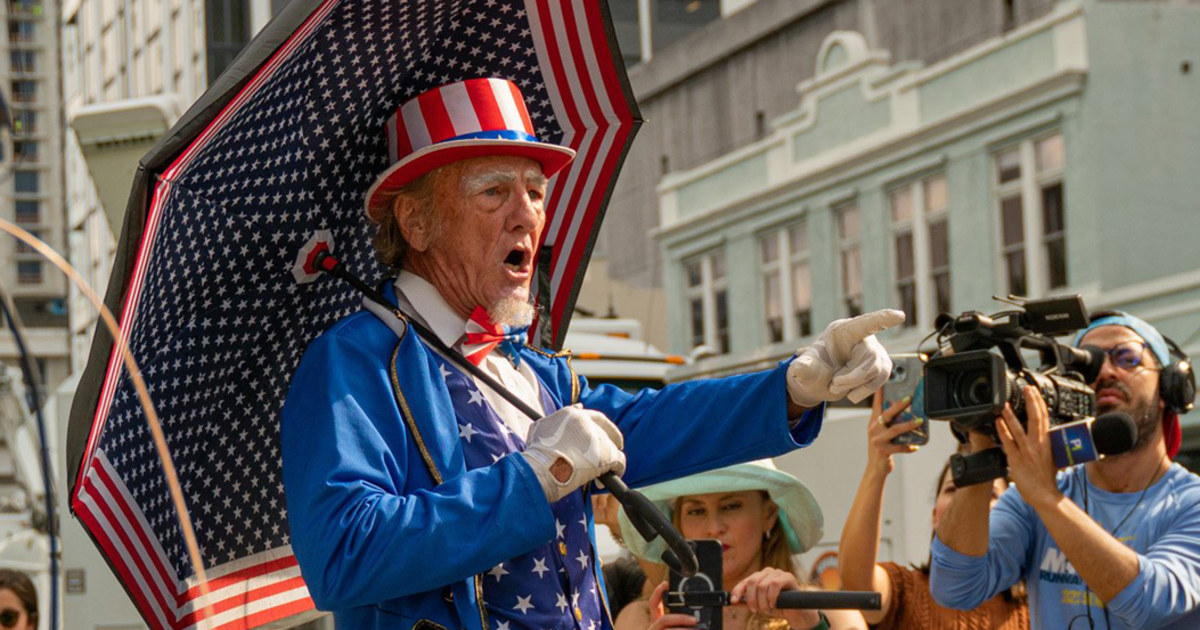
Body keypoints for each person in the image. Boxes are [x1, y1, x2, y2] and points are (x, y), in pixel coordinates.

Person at [281, 77, 904, 630]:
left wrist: (792, 387)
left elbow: (653, 424)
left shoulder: (532, 369)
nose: (526, 215)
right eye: (494, 192)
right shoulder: (351, 364)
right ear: (416, 222)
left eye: (535, 191)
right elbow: (344, 554)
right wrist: (539, 475)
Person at [930, 311, 1200, 629]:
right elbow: (955, 589)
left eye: (1127, 358)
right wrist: (983, 444)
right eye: (1087, 364)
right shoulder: (1029, 499)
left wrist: (1048, 498)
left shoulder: (1191, 502)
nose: (1104, 372)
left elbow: (1149, 602)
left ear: (1169, 389)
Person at [838, 392, 1028, 629]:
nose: (966, 500)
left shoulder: (1034, 601)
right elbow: (858, 584)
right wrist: (877, 466)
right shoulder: (908, 593)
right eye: (952, 490)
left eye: (989, 493)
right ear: (935, 516)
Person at [613, 460, 867, 630]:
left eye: (731, 505)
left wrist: (808, 625)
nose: (714, 527)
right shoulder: (641, 619)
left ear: (768, 514)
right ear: (676, 525)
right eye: (696, 511)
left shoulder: (831, 614)